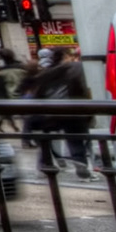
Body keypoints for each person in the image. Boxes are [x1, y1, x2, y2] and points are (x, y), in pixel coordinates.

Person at [31, 47, 94, 179]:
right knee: (76, 140)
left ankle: (43, 166)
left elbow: (38, 94)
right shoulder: (76, 68)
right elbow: (84, 89)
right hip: (74, 110)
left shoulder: (46, 72)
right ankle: (81, 167)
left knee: (46, 140)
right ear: (65, 56)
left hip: (52, 112)